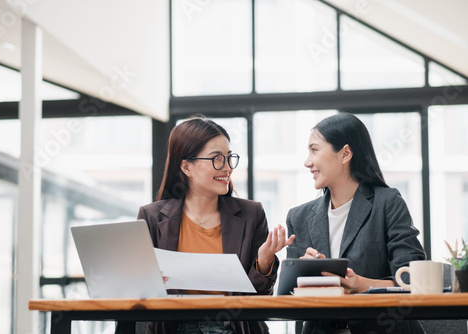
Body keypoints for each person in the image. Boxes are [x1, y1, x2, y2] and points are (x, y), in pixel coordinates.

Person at [139, 115, 294, 334]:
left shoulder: (251, 214)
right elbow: (139, 294)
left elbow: (257, 300)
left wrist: (264, 261)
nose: (227, 168)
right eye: (216, 159)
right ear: (186, 167)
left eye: (229, 158)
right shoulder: (152, 217)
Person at [286, 112, 426, 334]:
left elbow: (414, 279)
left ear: (345, 154)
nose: (307, 162)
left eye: (314, 150)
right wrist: (299, 275)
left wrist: (361, 284)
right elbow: (289, 300)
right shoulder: (298, 217)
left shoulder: (387, 203)